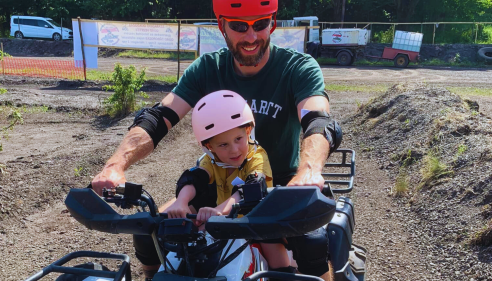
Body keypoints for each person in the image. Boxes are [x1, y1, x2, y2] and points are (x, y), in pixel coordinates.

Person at [92, 0, 342, 280]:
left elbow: (318, 119)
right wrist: (115, 165)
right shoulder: (207, 69)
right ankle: (150, 276)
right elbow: (158, 118)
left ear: (272, 23)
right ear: (222, 26)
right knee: (150, 230)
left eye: (260, 24)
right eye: (238, 26)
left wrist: (309, 170)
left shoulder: (297, 68)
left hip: (277, 184)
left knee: (312, 243)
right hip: (218, 181)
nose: (251, 36)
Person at [166, 90, 291, 273]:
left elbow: (252, 189)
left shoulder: (257, 156)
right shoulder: (211, 159)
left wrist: (218, 210)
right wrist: (181, 201)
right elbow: (195, 178)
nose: (234, 150)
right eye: (223, 145)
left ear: (248, 130)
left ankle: (284, 275)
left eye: (238, 139)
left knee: (276, 254)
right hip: (225, 223)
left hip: (257, 219)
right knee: (182, 245)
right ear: (209, 147)